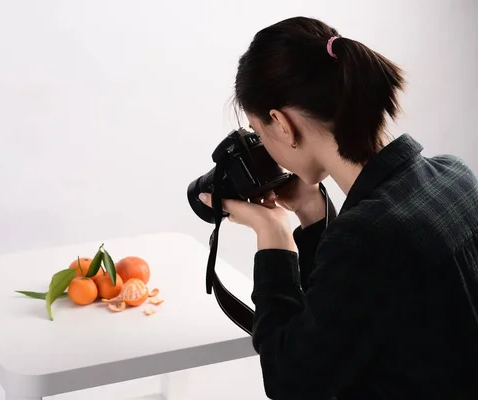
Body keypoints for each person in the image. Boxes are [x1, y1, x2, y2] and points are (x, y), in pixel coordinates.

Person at [198, 16, 478, 400]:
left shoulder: (367, 238)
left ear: (281, 124)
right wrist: (313, 215)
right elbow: (346, 316)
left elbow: (291, 382)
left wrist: (273, 236)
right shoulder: (456, 175)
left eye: (259, 132)